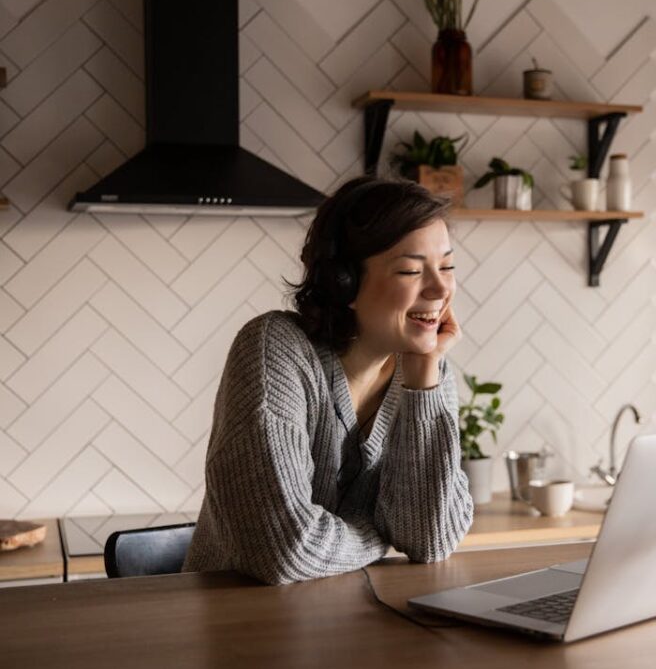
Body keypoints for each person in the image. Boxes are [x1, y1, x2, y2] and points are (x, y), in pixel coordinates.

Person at [182, 177, 473, 585]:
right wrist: (379, 532)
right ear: (345, 283)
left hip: (350, 624)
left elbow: (429, 540)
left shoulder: (428, 374)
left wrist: (424, 381)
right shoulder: (275, 350)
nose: (441, 288)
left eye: (447, 266)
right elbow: (284, 550)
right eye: (410, 270)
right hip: (238, 626)